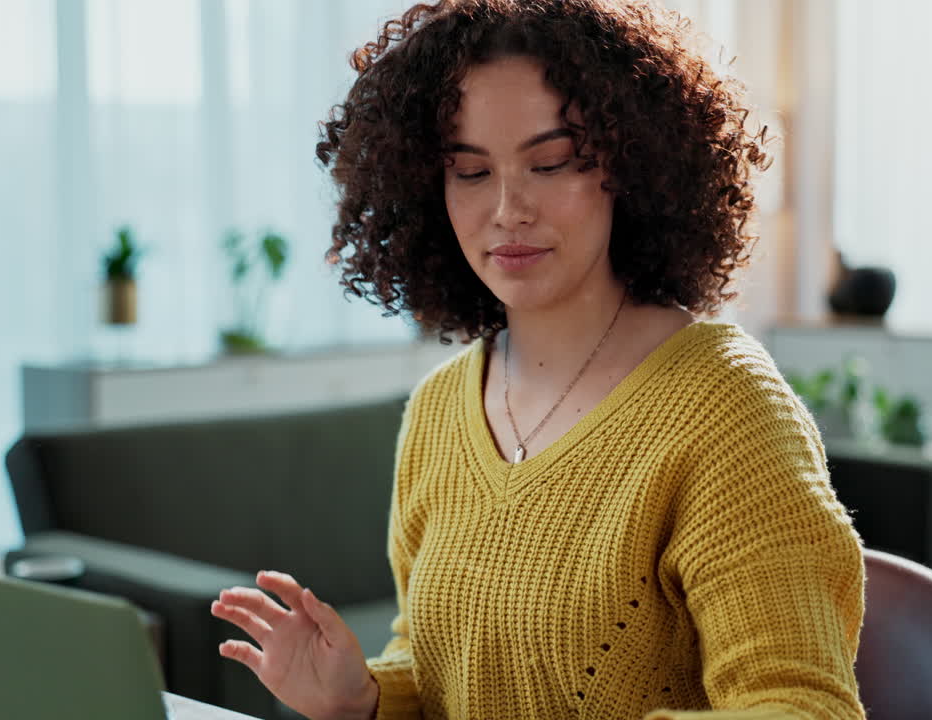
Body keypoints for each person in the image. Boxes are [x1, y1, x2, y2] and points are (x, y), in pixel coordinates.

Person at [211, 1, 866, 718]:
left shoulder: (724, 408)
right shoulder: (437, 410)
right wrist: (366, 700)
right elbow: (432, 665)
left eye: (550, 163)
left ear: (635, 167)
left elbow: (803, 706)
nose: (507, 208)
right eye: (468, 171)